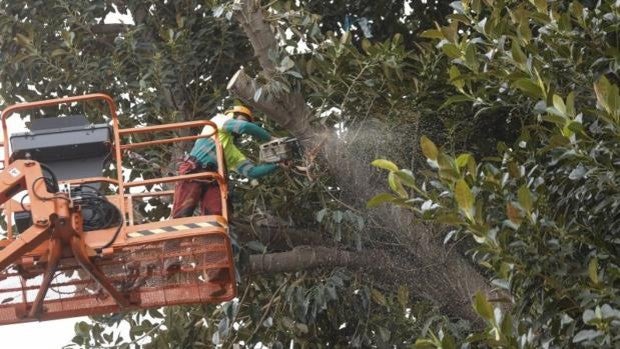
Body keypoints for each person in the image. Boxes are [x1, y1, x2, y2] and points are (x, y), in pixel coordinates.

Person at [171, 105, 280, 218]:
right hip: (194, 171)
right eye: (242, 119)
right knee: (182, 213)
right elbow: (244, 127)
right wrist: (270, 138)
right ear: (232, 115)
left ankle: (213, 234)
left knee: (217, 217)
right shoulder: (218, 120)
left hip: (213, 180)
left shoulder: (232, 151)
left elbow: (252, 172)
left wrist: (277, 165)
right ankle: (175, 233)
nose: (242, 124)